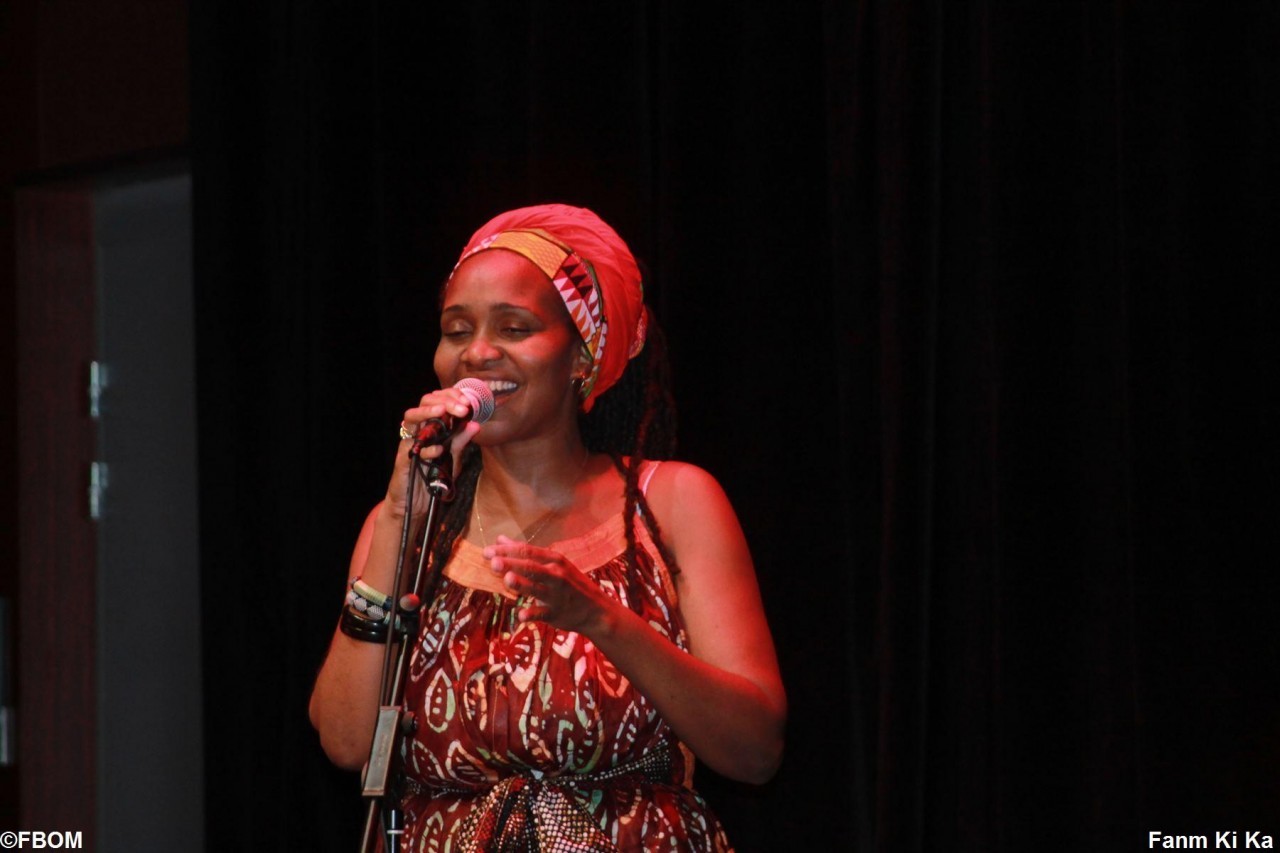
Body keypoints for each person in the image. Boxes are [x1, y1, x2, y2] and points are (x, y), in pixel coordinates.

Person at [309, 204, 785, 851]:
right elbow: (345, 743)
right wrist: (399, 518)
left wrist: (602, 620)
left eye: (514, 327)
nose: (477, 352)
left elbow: (755, 750)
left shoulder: (671, 501)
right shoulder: (404, 523)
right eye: (456, 330)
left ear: (581, 356)